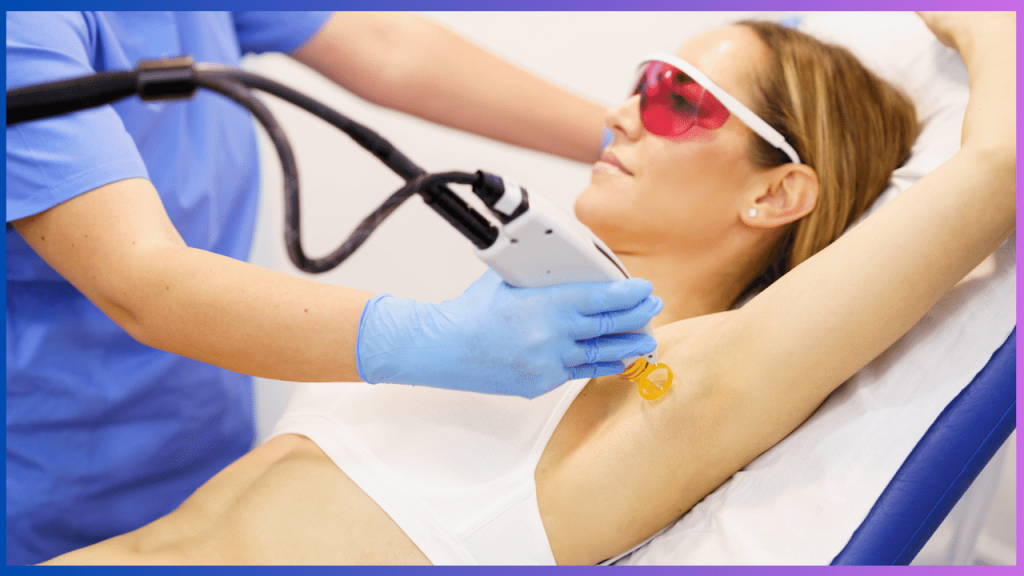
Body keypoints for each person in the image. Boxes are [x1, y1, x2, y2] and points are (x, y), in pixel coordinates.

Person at [39, 11, 1015, 565]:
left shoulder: (685, 389)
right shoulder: (516, 324)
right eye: (640, 81)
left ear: (776, 193)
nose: (621, 115)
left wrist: (985, 27)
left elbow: (996, 167)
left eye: (677, 99)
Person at [5, 12, 664, 565]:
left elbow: (392, 50)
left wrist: (628, 138)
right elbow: (142, 282)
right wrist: (428, 338)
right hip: (48, 472)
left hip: (202, 434)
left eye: (690, 112)